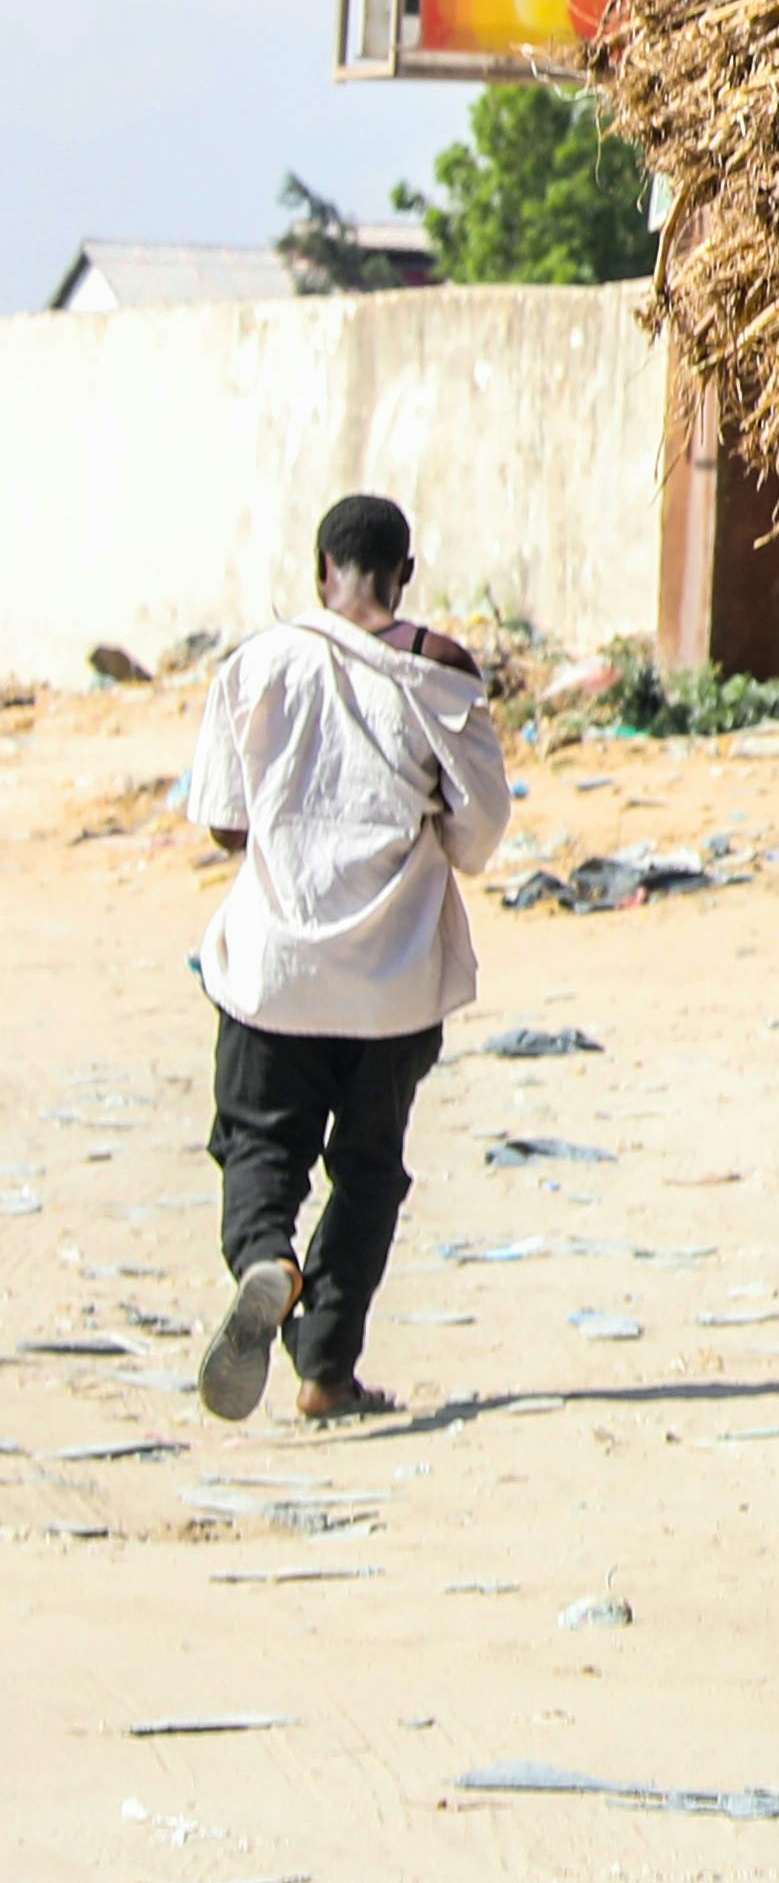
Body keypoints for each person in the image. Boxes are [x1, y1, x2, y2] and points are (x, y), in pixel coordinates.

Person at [181, 494, 514, 1426]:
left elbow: (222, 821)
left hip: (274, 972)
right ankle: (326, 1372)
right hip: (393, 982)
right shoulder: (438, 674)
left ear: (318, 571)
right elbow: (480, 834)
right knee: (368, 1171)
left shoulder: (257, 663)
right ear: (404, 574)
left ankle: (263, 1258)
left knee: (257, 1148)